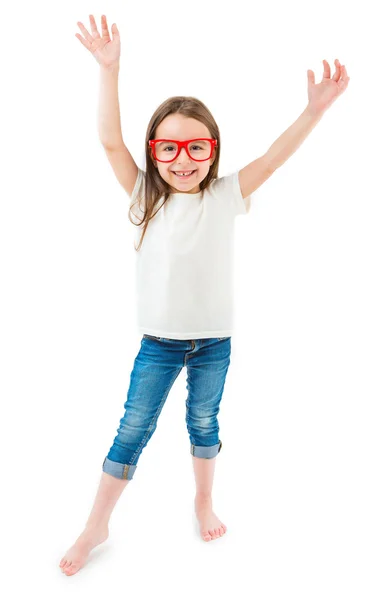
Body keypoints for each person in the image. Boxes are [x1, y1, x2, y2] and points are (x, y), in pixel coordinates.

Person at [59, 14, 349, 576]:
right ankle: (97, 524)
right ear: (155, 152)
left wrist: (314, 110)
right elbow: (109, 140)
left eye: (196, 147)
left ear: (212, 150)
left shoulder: (226, 194)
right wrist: (110, 70)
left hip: (215, 342)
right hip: (159, 343)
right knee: (133, 428)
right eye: (169, 149)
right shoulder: (145, 193)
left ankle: (203, 500)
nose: (183, 159)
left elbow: (274, 156)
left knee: (205, 423)